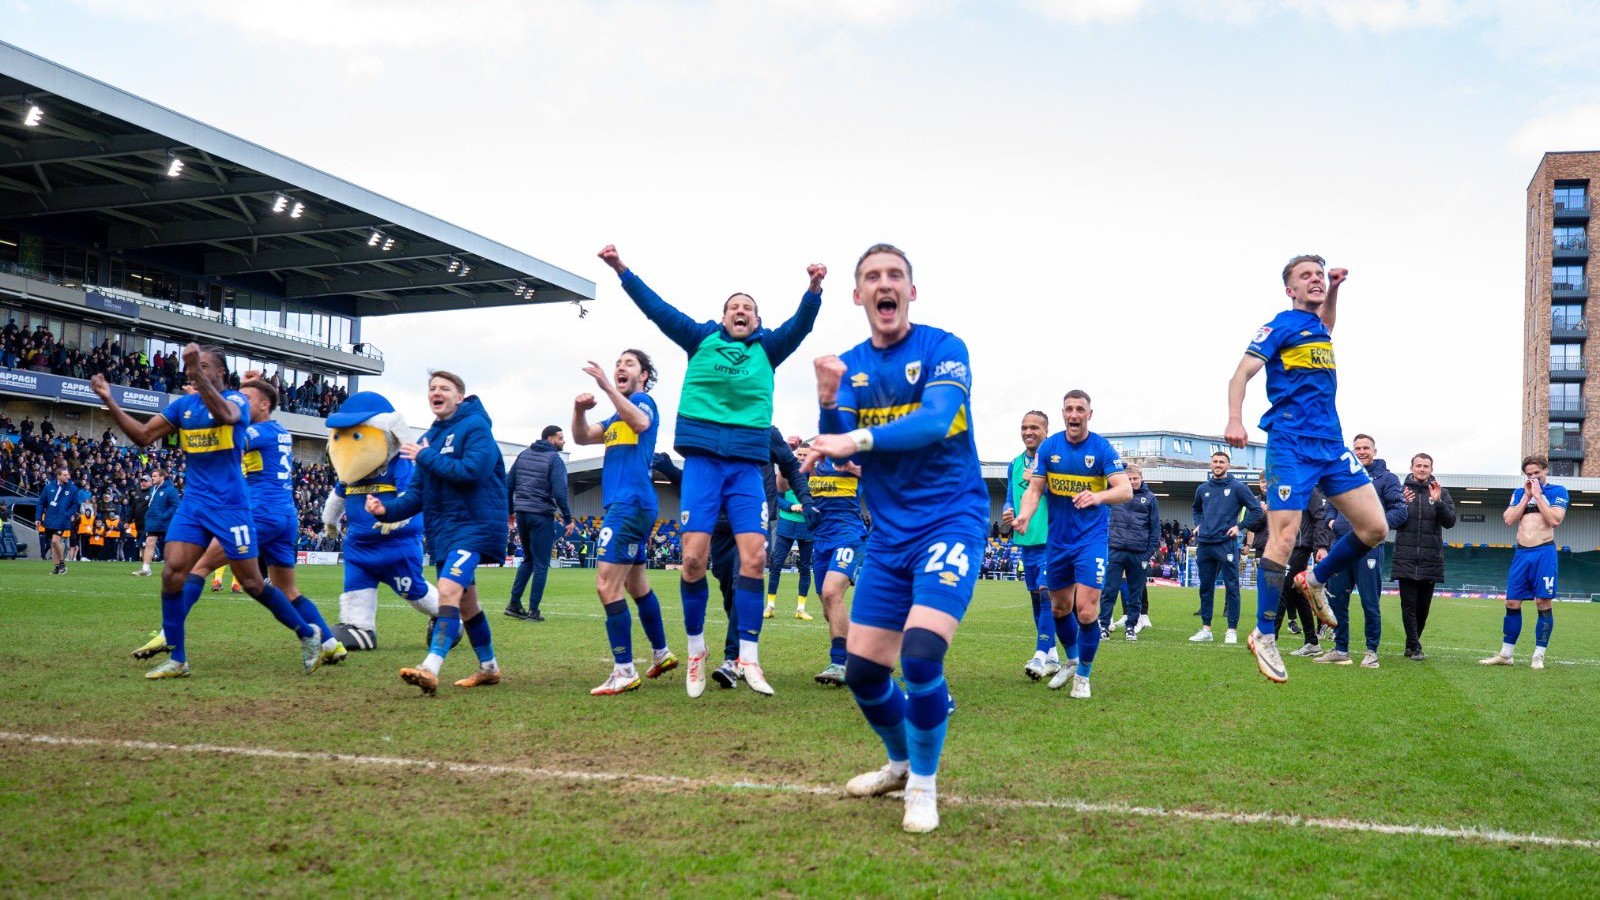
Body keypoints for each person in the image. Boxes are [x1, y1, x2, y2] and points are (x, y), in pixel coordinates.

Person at [807, 242, 988, 834]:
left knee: (920, 655)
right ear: (858, 295)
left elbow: (935, 421)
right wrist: (830, 401)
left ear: (912, 290)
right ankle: (899, 763)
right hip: (888, 534)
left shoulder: (943, 348)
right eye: (871, 278)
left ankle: (924, 787)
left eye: (896, 276)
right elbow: (838, 439)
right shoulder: (855, 363)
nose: (885, 285)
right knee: (862, 672)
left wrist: (852, 442)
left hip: (950, 521)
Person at [599, 243, 822, 698]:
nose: (741, 312)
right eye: (733, 307)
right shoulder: (700, 338)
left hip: (745, 467)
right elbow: (656, 308)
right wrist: (622, 268)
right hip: (702, 462)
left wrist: (814, 291)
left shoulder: (769, 348)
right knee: (694, 561)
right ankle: (696, 652)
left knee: (756, 559)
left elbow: (801, 326)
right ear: (722, 318)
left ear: (757, 322)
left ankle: (749, 658)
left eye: (749, 309)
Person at [91, 344, 325, 680]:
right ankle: (179, 658)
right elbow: (143, 436)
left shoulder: (238, 401)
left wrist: (199, 378)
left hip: (232, 507)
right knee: (172, 572)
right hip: (194, 505)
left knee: (253, 584)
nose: (192, 370)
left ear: (219, 373)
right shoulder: (183, 406)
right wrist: (109, 400)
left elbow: (226, 417)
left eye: (201, 366)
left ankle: (307, 633)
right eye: (191, 366)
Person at [1224, 255, 1390, 684]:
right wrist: (1235, 419)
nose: (1315, 279)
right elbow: (1240, 374)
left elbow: (1328, 321)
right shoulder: (1279, 325)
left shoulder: (1319, 328)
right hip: (1291, 444)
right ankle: (1263, 634)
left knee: (1375, 528)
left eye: (1319, 273)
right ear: (1290, 289)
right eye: (1306, 276)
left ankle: (1314, 579)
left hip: (1331, 445)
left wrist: (1334, 288)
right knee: (1282, 538)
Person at [131, 378, 345, 668]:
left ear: (264, 404)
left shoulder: (255, 431)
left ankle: (168, 634)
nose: (239, 402)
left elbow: (225, 439)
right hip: (285, 515)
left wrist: (200, 404)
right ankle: (331, 644)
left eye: (246, 398)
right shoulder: (280, 431)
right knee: (287, 589)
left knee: (199, 567)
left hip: (258, 513)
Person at [368, 371, 508, 695]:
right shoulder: (430, 437)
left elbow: (472, 473)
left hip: (475, 525)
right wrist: (385, 509)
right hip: (445, 531)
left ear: (460, 397)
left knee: (447, 589)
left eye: (444, 388)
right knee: (468, 603)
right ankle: (489, 668)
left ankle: (430, 667)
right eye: (432, 388)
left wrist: (425, 455)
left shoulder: (476, 429)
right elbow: (418, 493)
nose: (436, 392)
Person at [570, 350, 679, 695]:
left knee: (606, 586)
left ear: (644, 375)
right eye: (618, 363)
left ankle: (624, 670)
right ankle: (661, 654)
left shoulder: (643, 402)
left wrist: (606, 386)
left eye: (629, 364)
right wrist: (579, 409)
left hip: (629, 503)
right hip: (631, 503)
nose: (620, 367)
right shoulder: (618, 413)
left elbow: (642, 424)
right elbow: (582, 437)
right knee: (635, 584)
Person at [1011, 390, 1133, 697]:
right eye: (1069, 409)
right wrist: (1024, 515)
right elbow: (1035, 489)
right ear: (1063, 413)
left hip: (1090, 541)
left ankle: (1083, 676)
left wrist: (1099, 496)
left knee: (1087, 611)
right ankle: (1072, 658)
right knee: (1059, 608)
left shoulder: (1101, 449)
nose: (1074, 414)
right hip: (1058, 542)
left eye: (1080, 409)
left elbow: (1125, 490)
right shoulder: (1050, 448)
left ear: (1090, 414)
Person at [1315, 434, 1407, 668]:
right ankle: (1340, 649)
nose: (1361, 451)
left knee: (1369, 601)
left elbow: (1400, 511)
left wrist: (1374, 526)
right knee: (1337, 600)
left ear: (1375, 451)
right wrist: (1332, 523)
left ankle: (1371, 651)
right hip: (1340, 548)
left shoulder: (1386, 479)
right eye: (1357, 448)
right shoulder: (1343, 476)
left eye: (1366, 447)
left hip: (1369, 549)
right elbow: (1330, 509)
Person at [1481, 455, 1568, 670]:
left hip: (1544, 552)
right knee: (1512, 602)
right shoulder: (1520, 492)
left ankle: (1538, 656)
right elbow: (1509, 519)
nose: (1532, 477)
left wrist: (1538, 496)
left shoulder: (1558, 491)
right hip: (1521, 554)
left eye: (1536, 473)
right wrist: (1526, 497)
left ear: (1545, 470)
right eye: (1528, 474)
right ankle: (1506, 654)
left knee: (1543, 603)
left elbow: (1555, 520)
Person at [1001, 410, 1060, 681]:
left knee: (1047, 597)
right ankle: (1053, 657)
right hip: (1026, 540)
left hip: (1051, 538)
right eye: (1024, 427)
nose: (1028, 432)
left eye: (1035, 427)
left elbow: (1064, 496)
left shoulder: (1054, 461)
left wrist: (1041, 483)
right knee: (1036, 600)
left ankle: (1038, 655)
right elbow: (1009, 497)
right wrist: (1008, 509)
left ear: (1046, 431)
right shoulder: (1014, 463)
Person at [798, 451, 867, 685]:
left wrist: (857, 470)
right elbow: (782, 484)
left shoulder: (853, 458)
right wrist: (790, 456)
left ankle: (839, 663)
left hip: (848, 536)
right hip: (821, 541)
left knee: (831, 593)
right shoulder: (813, 464)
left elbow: (883, 476)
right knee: (829, 609)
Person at [1187, 451, 1263, 645]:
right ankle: (1206, 629)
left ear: (1228, 465)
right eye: (1215, 461)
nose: (1218, 464)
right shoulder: (1202, 488)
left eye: (1222, 462)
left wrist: (1239, 527)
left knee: (1232, 587)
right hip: (1205, 544)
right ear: (1210, 464)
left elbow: (1255, 510)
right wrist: (1198, 524)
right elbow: (1196, 509)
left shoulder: (1238, 487)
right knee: (1205, 587)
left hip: (1226, 545)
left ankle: (1231, 629)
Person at [506, 425, 575, 621]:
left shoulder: (523, 455)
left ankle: (514, 603)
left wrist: (510, 510)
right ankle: (533, 610)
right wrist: (568, 519)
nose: (563, 441)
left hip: (522, 514)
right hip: (541, 515)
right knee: (541, 563)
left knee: (528, 559)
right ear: (550, 439)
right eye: (561, 438)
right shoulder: (555, 460)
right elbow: (561, 492)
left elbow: (508, 484)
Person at [1391, 452, 1455, 660]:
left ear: (1431, 470)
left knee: (1423, 608)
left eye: (1425, 466)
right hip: (1406, 556)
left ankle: (1412, 644)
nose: (1421, 469)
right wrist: (1402, 505)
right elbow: (1391, 523)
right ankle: (1415, 646)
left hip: (1430, 559)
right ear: (1411, 468)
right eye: (1418, 465)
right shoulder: (1400, 492)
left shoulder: (1441, 493)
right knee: (1408, 605)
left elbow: (1450, 521)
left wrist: (1438, 502)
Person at [1101, 462, 1160, 641]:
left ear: (1142, 478)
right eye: (1129, 479)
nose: (1132, 482)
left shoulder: (1150, 499)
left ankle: (1131, 627)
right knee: (1109, 590)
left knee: (1135, 593)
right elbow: (1100, 477)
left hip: (1138, 553)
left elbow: (1155, 529)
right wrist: (1121, 465)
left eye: (1135, 478)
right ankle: (1103, 625)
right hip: (1115, 550)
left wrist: (1146, 554)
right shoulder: (1115, 494)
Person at [1279, 487, 1333, 657]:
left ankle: (1268, 639)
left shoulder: (1309, 491)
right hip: (1287, 547)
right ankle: (1312, 641)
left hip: (1301, 546)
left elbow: (1319, 518)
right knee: (1297, 593)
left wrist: (1320, 546)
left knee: (1282, 589)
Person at [765, 469, 817, 621]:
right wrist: (791, 506)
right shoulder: (784, 475)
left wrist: (807, 507)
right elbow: (777, 499)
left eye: (804, 455)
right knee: (776, 565)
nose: (801, 457)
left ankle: (801, 609)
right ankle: (770, 606)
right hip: (785, 527)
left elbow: (820, 501)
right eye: (799, 454)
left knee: (805, 568)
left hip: (807, 528)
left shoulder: (816, 476)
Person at [35, 466, 80, 575]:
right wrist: (38, 517)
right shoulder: (49, 487)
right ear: (58, 476)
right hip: (50, 518)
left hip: (62, 519)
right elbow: (41, 503)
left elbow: (75, 504)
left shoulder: (72, 489)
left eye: (67, 474)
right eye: (64, 475)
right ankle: (56, 566)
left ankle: (62, 563)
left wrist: (68, 514)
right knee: (53, 543)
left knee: (56, 540)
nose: (67, 477)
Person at [136, 468, 179, 577]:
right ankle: (146, 569)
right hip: (153, 522)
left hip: (166, 523)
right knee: (149, 542)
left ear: (162, 477)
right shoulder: (153, 489)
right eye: (153, 476)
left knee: (169, 545)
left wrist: (164, 516)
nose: (153, 478)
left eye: (155, 476)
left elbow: (176, 506)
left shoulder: (171, 490)